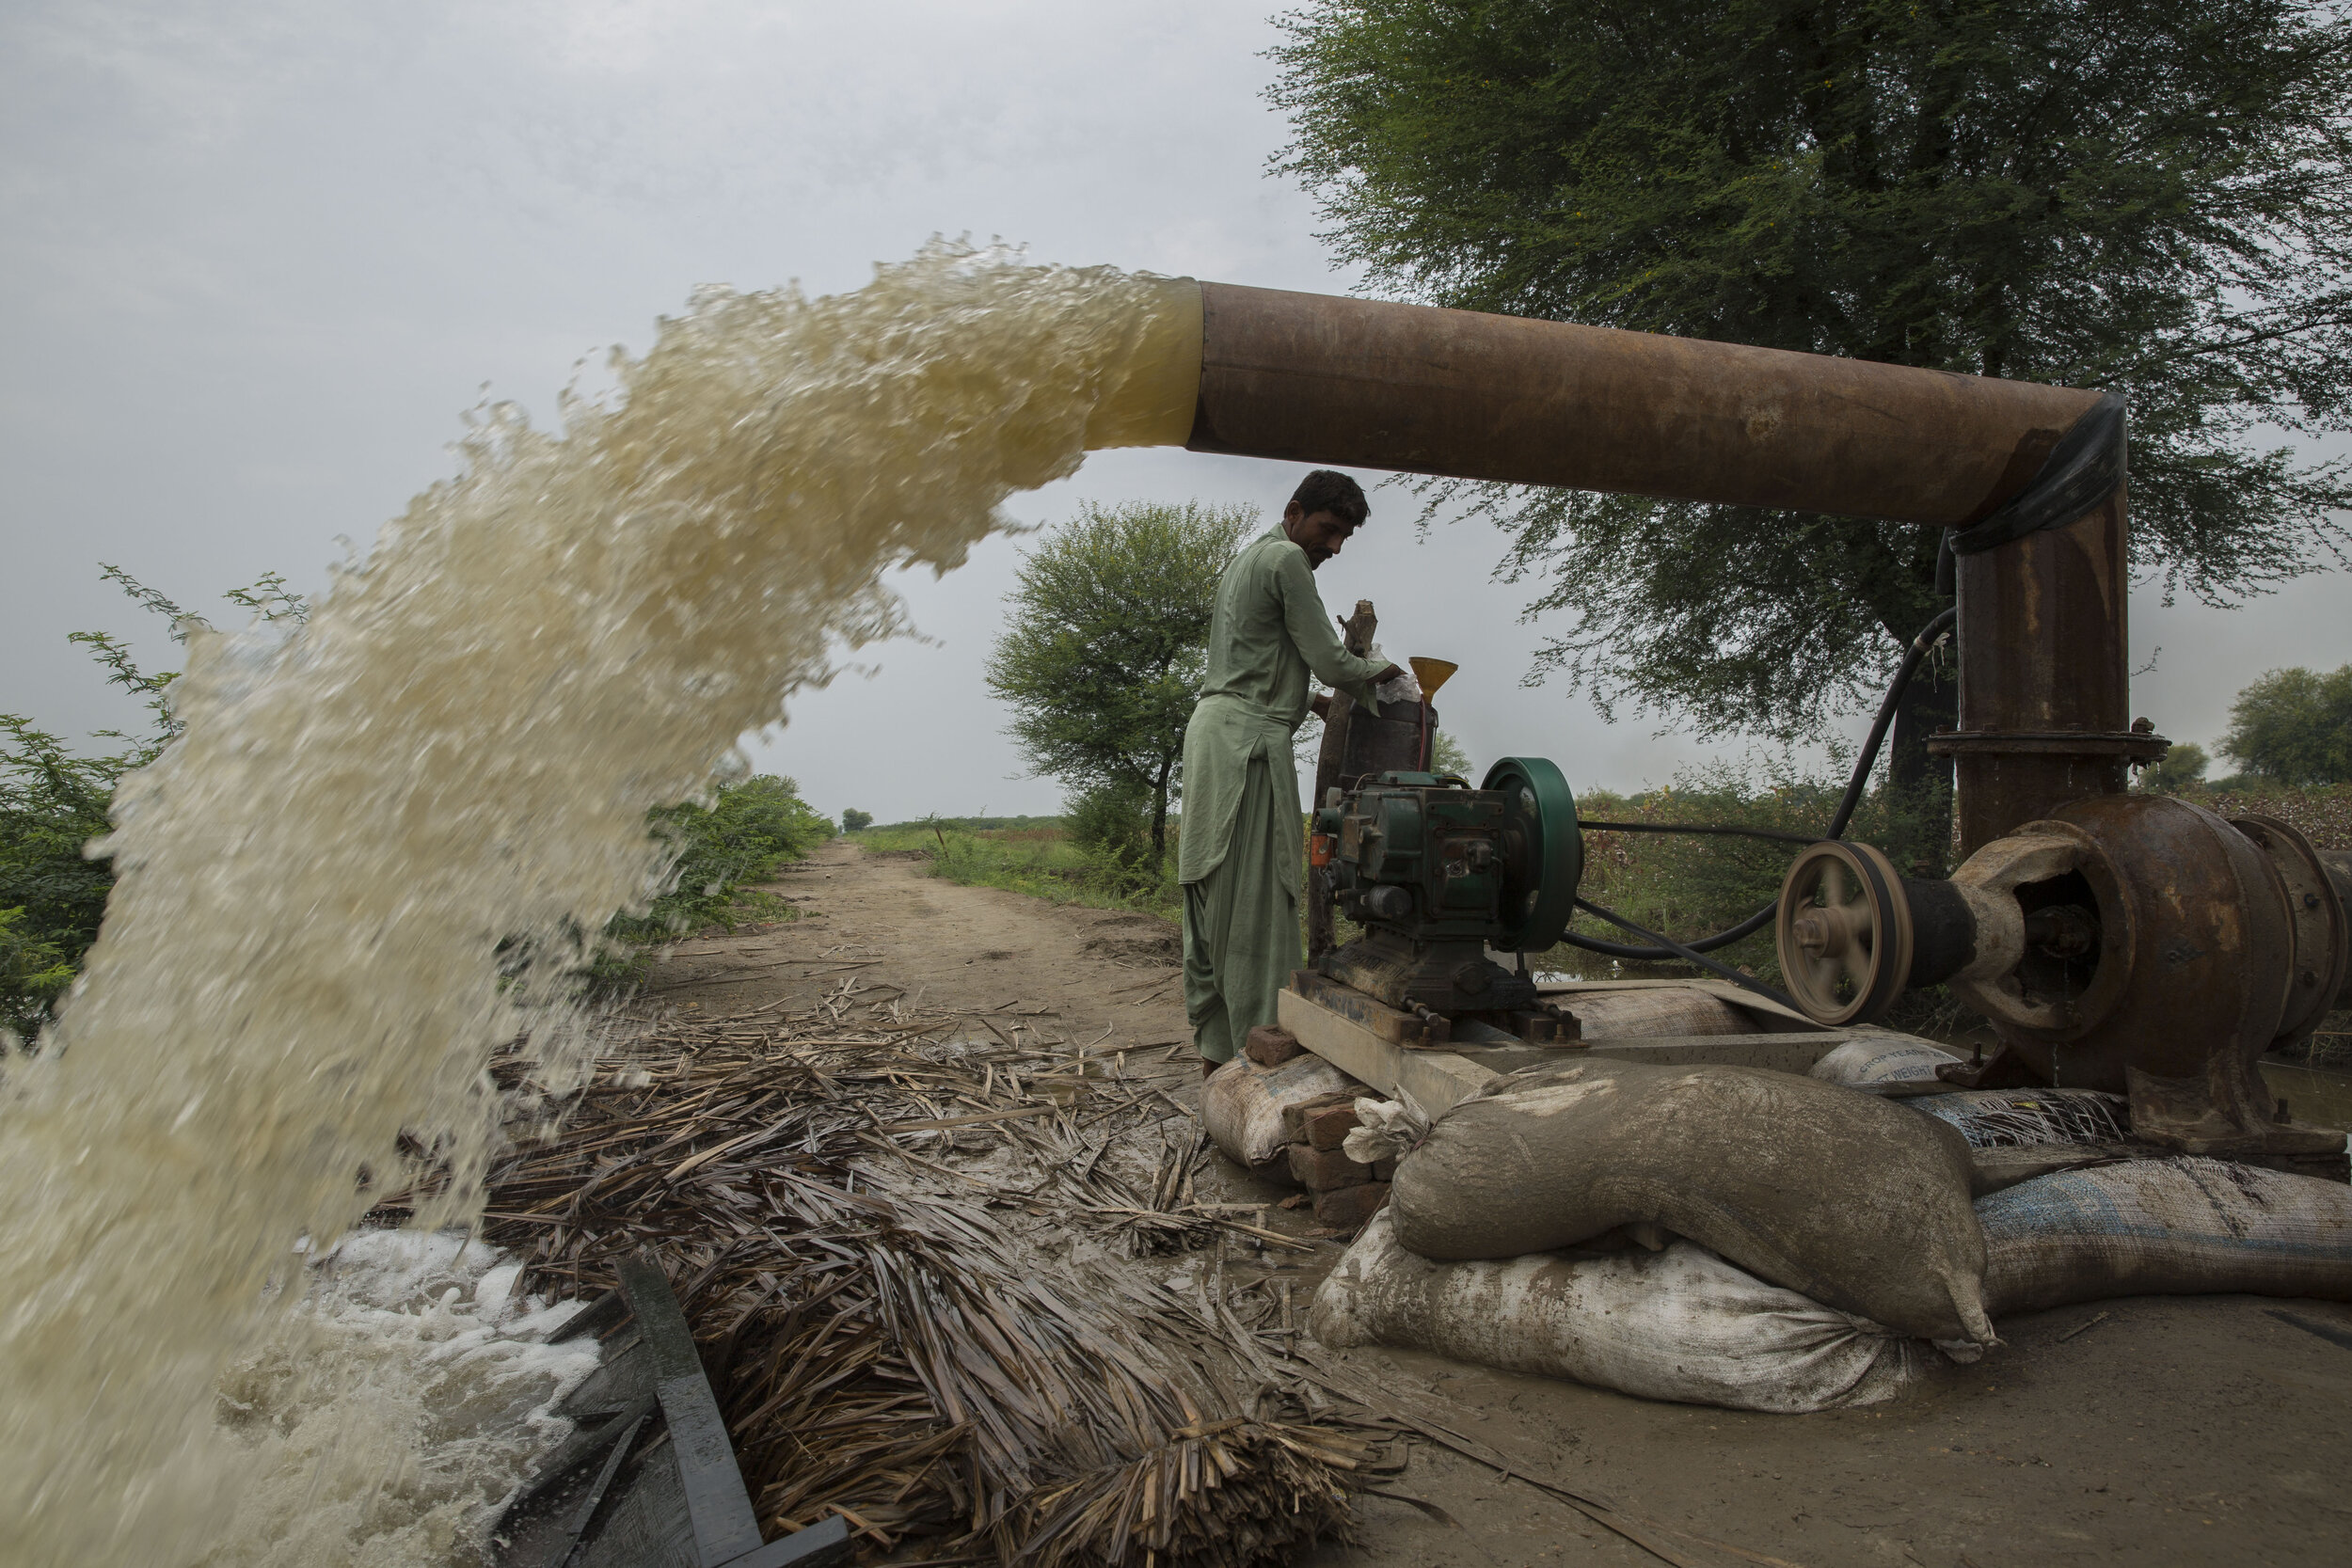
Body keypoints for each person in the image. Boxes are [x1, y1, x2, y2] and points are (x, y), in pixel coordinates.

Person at [1179, 469, 1402, 1074]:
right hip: (1246, 749)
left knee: (1214, 893)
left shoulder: (1247, 561)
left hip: (1213, 738)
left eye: (1343, 539)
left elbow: (1253, 658)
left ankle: (1217, 1052)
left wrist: (1312, 702)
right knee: (1255, 899)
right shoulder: (1286, 560)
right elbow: (1331, 660)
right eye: (1329, 530)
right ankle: (1259, 1053)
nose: (1333, 547)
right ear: (1295, 510)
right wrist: (1392, 677)